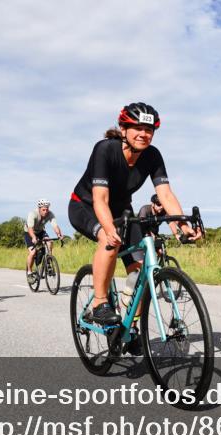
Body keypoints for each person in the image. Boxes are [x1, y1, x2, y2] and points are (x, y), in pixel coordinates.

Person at [68, 102, 200, 353]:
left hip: (122, 211)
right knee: (109, 239)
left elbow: (166, 195)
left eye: (149, 130)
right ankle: (99, 303)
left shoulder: (153, 155)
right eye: (137, 128)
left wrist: (182, 225)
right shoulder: (105, 149)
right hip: (85, 206)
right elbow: (100, 199)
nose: (143, 134)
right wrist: (109, 228)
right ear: (123, 129)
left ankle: (131, 329)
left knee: (140, 273)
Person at [25, 199, 63, 281]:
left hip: (40, 231)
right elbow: (30, 228)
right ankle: (29, 273)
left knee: (49, 242)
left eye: (47, 209)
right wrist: (33, 237)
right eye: (43, 209)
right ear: (39, 208)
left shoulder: (50, 214)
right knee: (33, 252)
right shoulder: (33, 214)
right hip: (29, 232)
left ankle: (48, 261)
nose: (46, 211)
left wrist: (59, 234)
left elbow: (55, 226)